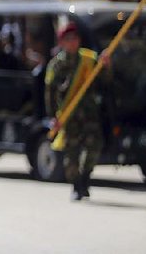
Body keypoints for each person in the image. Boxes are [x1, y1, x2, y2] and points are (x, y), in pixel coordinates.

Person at [45, 22, 109, 201]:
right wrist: (53, 117)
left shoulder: (89, 58)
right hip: (69, 115)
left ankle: (85, 178)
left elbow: (104, 81)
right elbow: (49, 92)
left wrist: (105, 66)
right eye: (68, 39)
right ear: (62, 42)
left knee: (93, 148)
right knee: (71, 153)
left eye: (75, 39)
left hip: (89, 113)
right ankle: (76, 186)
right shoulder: (56, 65)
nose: (72, 43)